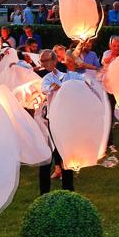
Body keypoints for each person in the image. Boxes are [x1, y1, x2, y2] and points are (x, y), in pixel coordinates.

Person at [37, 50, 84, 194]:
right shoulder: (47, 78)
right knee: (47, 156)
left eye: (45, 61)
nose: (43, 64)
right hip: (53, 122)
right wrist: (54, 87)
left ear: (54, 60)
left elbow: (85, 87)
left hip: (68, 121)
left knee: (66, 155)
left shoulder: (73, 76)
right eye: (42, 61)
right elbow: (45, 89)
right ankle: (44, 193)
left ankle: (68, 190)